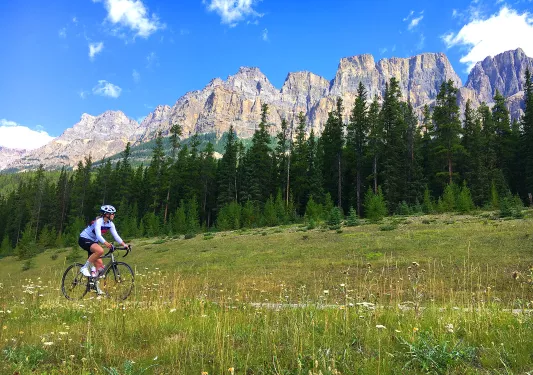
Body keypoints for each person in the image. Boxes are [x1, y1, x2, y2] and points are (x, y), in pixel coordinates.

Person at [78, 205, 129, 277]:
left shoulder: (110, 224)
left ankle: (92, 280)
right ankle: (84, 268)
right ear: (106, 214)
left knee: (100, 267)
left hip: (93, 241)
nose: (114, 215)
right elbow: (98, 236)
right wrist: (106, 243)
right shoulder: (99, 221)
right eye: (112, 213)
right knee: (100, 250)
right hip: (84, 238)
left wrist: (124, 244)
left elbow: (116, 236)